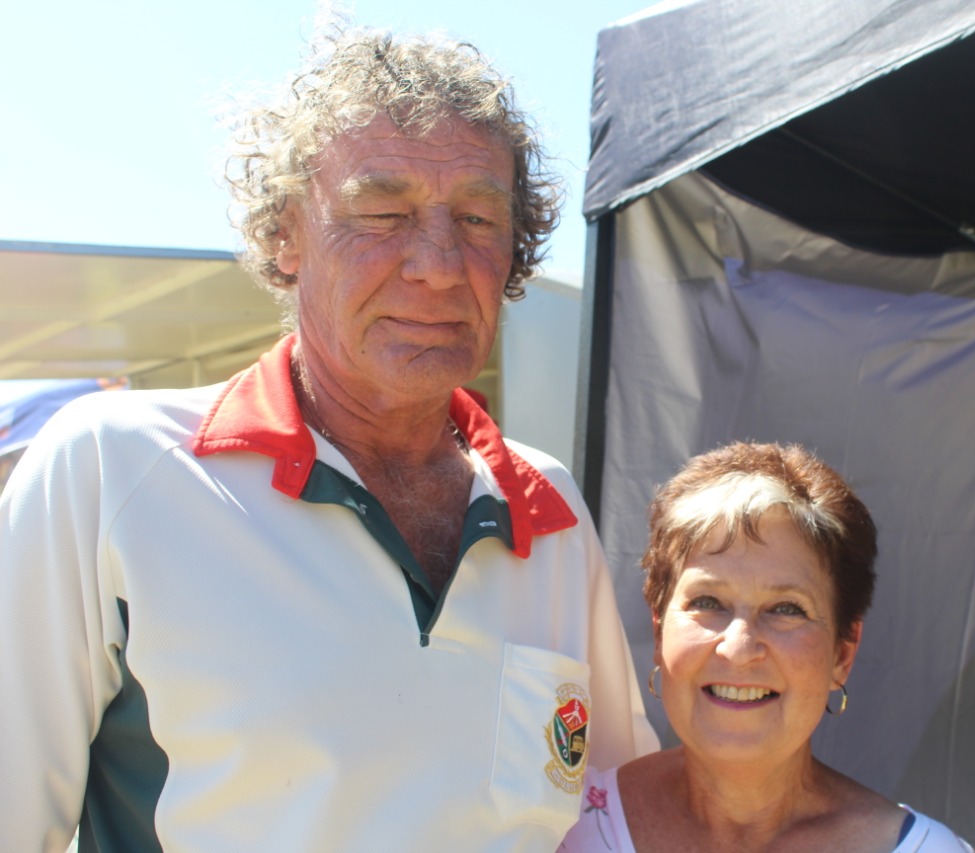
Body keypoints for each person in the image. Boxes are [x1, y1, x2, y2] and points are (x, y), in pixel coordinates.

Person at [0, 24, 656, 852]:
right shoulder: (113, 467)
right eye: (382, 212)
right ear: (285, 236)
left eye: (479, 217)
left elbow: (609, 823)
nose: (439, 263)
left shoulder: (547, 506)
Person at [559, 442, 973, 852]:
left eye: (786, 609)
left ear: (842, 653)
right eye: (708, 602)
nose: (739, 649)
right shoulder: (556, 827)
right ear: (659, 632)